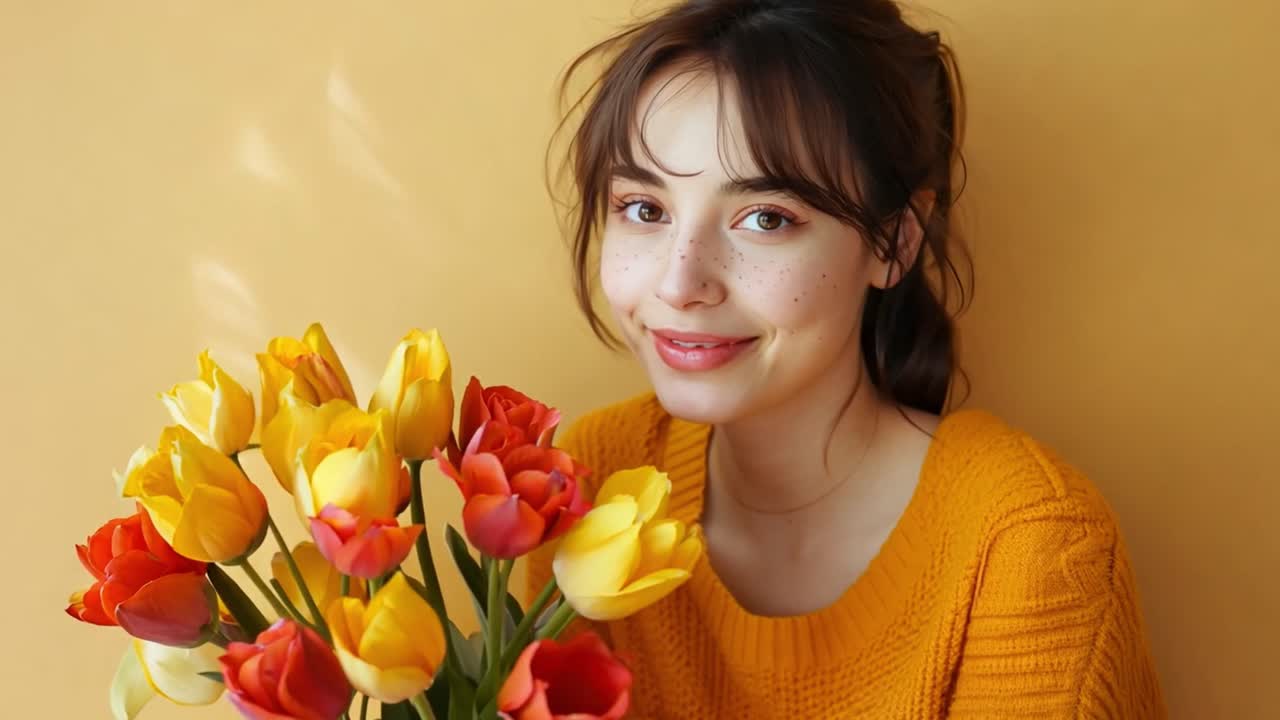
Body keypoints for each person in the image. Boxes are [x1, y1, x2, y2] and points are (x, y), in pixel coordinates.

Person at [527, 1, 1166, 716]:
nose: (680, 284)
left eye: (766, 218)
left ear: (893, 243)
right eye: (644, 208)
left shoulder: (1030, 544)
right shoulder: (590, 483)